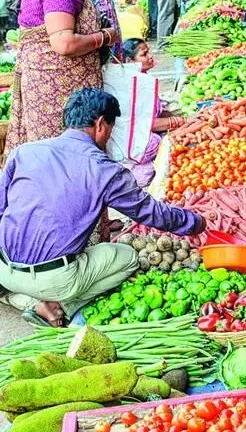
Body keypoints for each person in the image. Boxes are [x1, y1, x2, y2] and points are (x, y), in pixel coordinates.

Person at [0, 88, 205, 327]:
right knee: (127, 257)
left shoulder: (25, 151)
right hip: (54, 279)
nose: (109, 135)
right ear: (100, 124)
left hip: (3, 268)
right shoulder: (105, 169)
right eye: (111, 128)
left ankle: (26, 299)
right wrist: (195, 222)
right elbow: (150, 213)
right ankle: (62, 307)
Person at [4, 0, 117, 158]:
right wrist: (105, 37)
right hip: (58, 94)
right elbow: (64, 43)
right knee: (67, 158)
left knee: (50, 159)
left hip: (43, 89)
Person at [119, 38, 187, 186]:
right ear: (130, 61)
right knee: (165, 142)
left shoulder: (141, 79)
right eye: (144, 54)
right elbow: (149, 124)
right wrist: (182, 122)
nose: (150, 56)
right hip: (133, 142)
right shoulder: (136, 85)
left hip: (135, 135)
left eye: (148, 52)